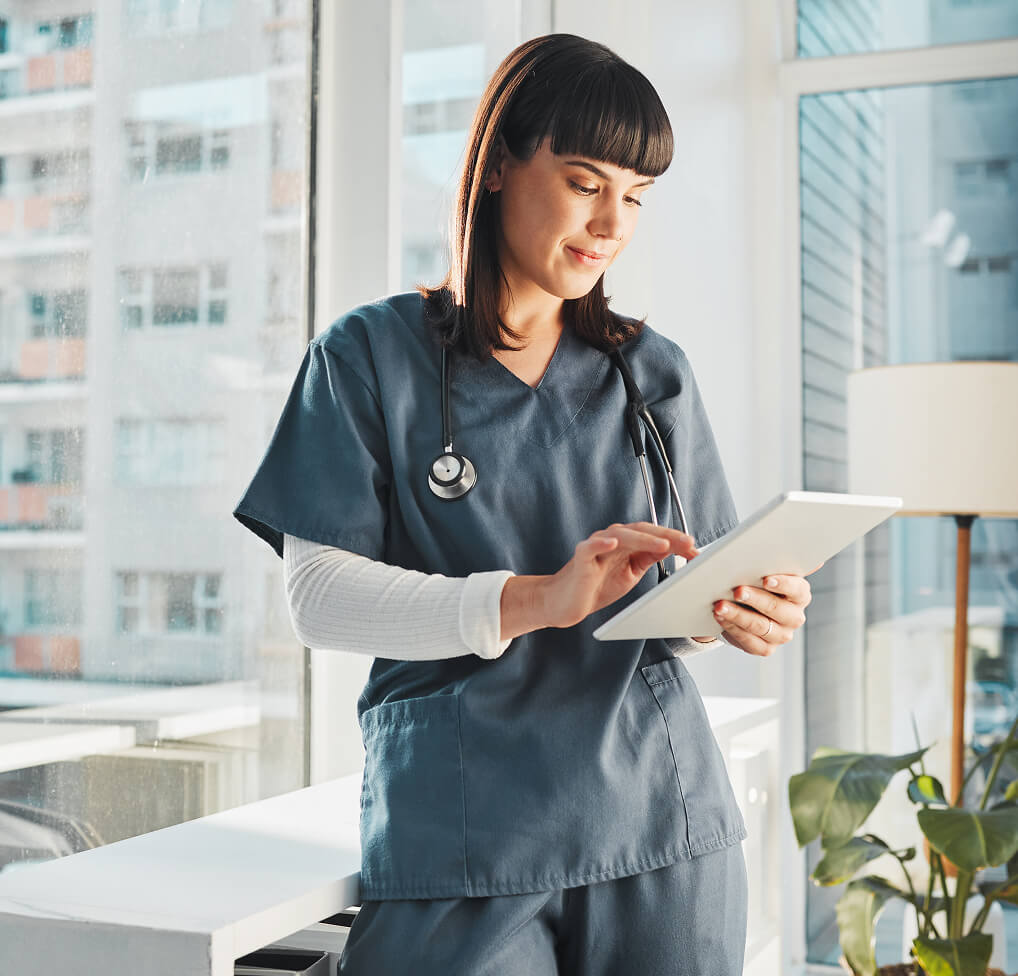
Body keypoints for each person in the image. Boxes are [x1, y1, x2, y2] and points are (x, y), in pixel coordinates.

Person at [233, 33, 813, 976]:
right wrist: (537, 598)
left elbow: (685, 596)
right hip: (465, 829)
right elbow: (320, 597)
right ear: (500, 162)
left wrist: (736, 613)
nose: (612, 221)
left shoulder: (649, 370)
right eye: (586, 182)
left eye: (635, 196)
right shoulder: (368, 358)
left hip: (658, 818)